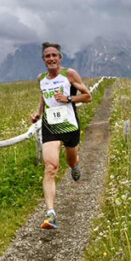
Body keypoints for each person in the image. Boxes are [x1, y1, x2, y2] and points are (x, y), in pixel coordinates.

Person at [28, 42, 92, 229]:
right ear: (43, 60)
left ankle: (75, 165)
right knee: (51, 167)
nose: (51, 59)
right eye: (47, 56)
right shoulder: (41, 78)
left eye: (54, 55)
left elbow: (88, 96)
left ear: (60, 58)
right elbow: (43, 96)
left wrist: (69, 99)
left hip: (70, 125)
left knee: (71, 161)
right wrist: (38, 113)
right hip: (51, 126)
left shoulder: (69, 74)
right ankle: (51, 213)